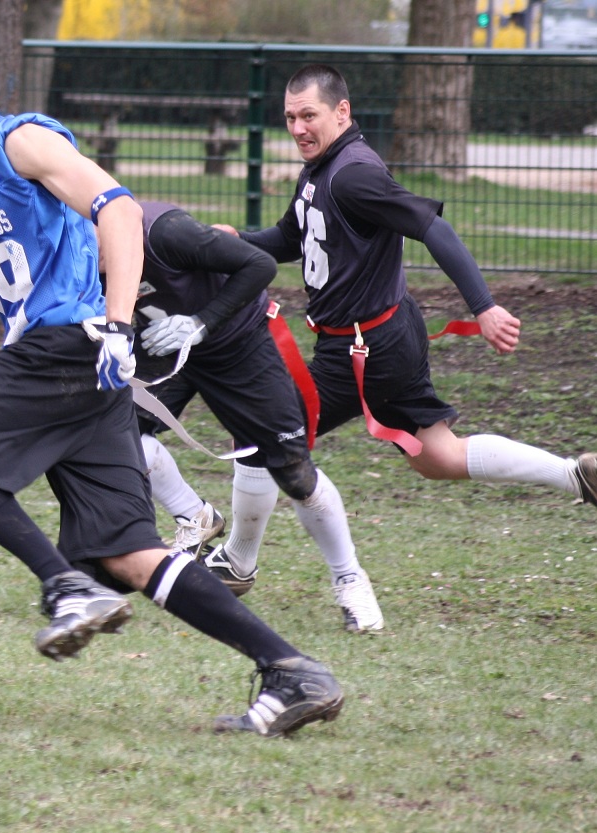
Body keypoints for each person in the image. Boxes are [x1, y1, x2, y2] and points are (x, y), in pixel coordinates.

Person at [0, 31, 343, 737]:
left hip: (72, 342)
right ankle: (290, 670)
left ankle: (63, 586)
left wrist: (118, 323)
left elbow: (120, 211)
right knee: (128, 553)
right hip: (67, 365)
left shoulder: (22, 143)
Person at [209, 62, 597, 592]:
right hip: (388, 334)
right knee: (438, 457)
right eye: (289, 117)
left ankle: (238, 563)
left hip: (361, 348)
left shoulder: (353, 174)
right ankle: (573, 475)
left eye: (309, 115)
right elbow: (289, 239)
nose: (297, 128)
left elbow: (433, 227)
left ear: (342, 112)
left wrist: (483, 306)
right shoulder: (320, 168)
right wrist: (231, 243)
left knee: (260, 433)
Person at [102, 201, 383, 632]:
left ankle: (349, 578)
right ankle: (194, 516)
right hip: (166, 350)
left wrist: (201, 322)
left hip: (235, 341)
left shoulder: (164, 231)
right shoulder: (71, 248)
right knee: (113, 434)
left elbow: (259, 264)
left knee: (292, 471)